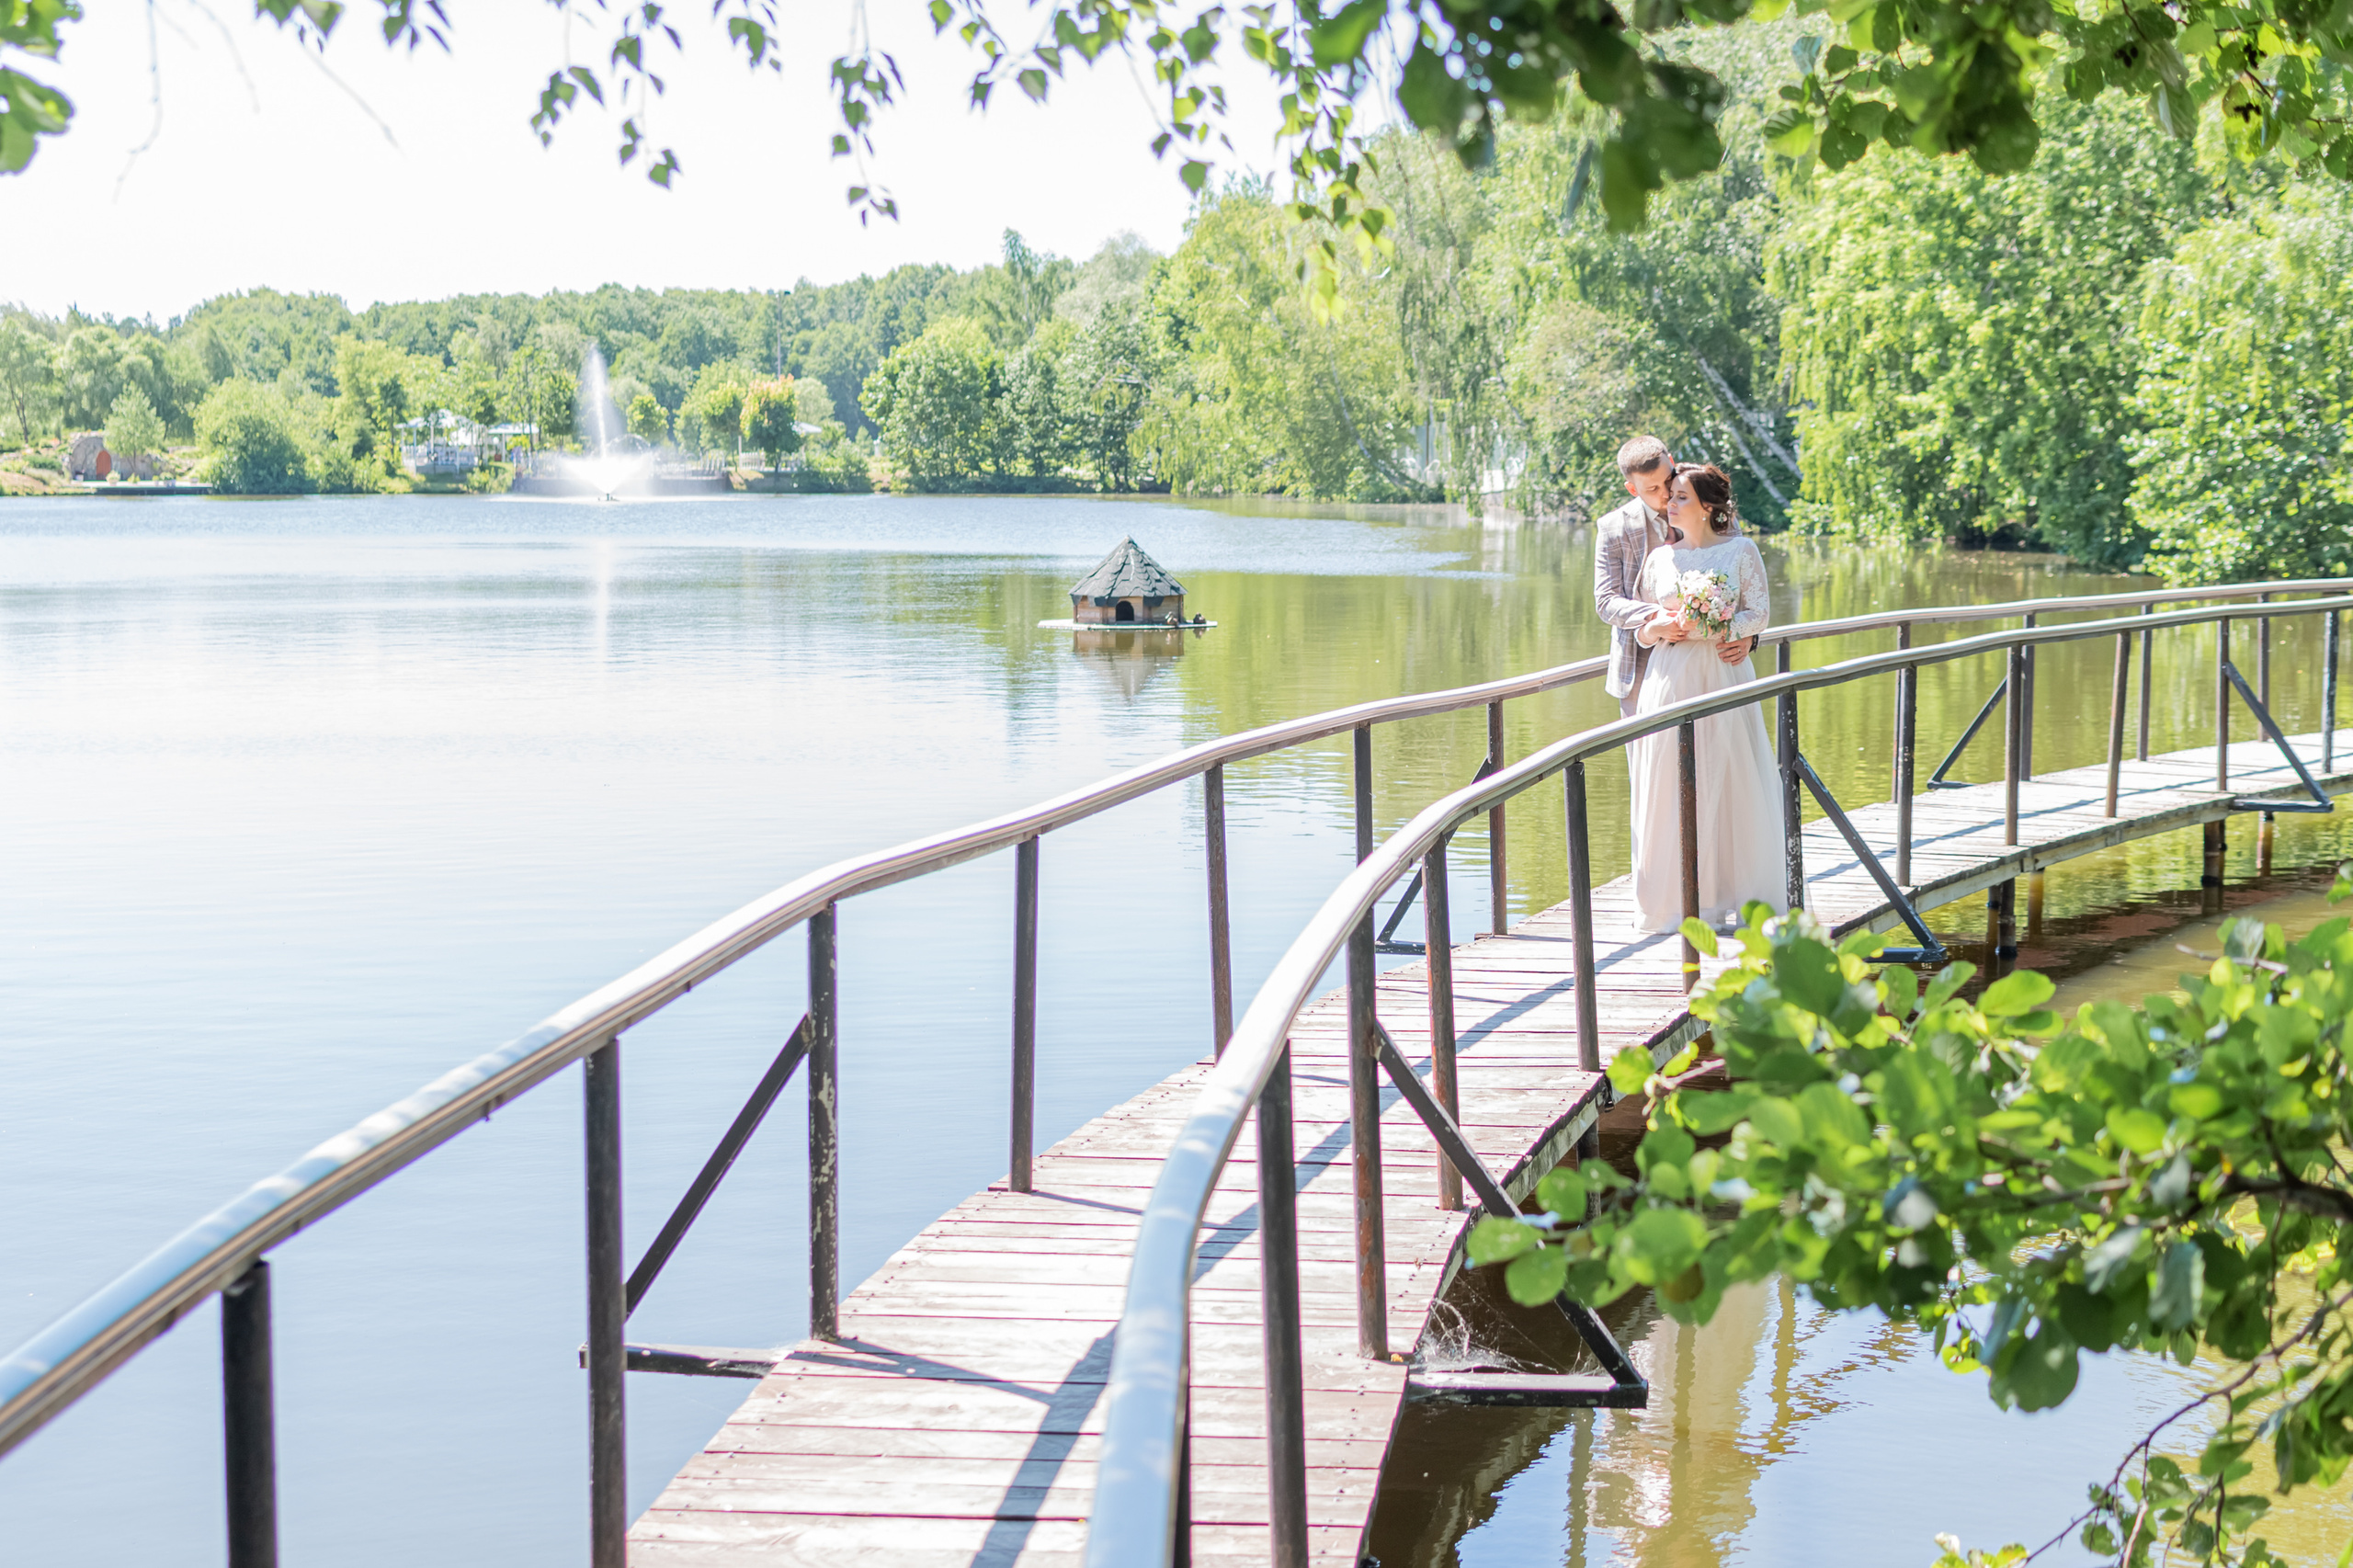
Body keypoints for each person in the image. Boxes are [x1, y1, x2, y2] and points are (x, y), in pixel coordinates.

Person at [1626, 462, 1787, 934]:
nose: (1669, 504)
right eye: (1670, 497)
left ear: (1708, 506)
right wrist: (1656, 628)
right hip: (1669, 676)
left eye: (1679, 498)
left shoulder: (1740, 551)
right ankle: (1672, 905)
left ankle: (1733, 900)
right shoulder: (1660, 559)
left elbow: (1759, 613)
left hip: (1721, 672)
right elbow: (1646, 626)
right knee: (1667, 781)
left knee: (1728, 777)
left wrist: (1722, 627)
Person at [1593, 437, 1754, 719]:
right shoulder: (1613, 528)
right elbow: (1606, 601)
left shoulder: (1714, 514)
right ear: (1633, 489)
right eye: (1652, 489)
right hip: (1641, 668)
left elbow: (1743, 583)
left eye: (1668, 480)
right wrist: (1657, 619)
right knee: (1651, 760)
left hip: (1715, 662)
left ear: (1673, 464)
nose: (1666, 494)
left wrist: (1749, 635)